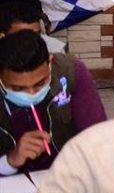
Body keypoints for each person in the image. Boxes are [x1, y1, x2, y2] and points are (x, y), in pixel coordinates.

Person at [0, 30, 106, 174]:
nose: (31, 93)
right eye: (18, 88)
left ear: (50, 62)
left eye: (40, 83)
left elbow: (97, 136)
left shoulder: (70, 72)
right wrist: (10, 161)